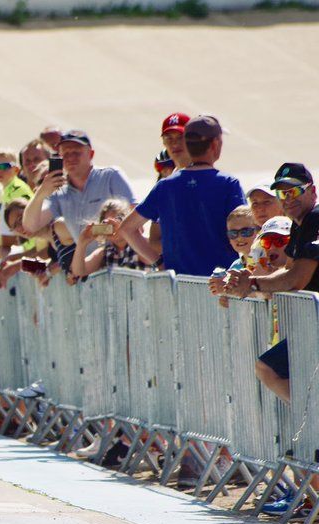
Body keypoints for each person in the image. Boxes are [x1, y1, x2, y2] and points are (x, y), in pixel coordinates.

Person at [227, 163, 319, 405]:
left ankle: (311, 426)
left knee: (268, 368)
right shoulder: (301, 226)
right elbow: (286, 271)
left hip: (314, 324)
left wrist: (253, 284)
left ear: (313, 191)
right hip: (311, 325)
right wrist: (245, 281)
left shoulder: (315, 219)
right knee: (270, 369)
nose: (287, 199)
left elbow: (296, 278)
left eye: (294, 191)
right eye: (281, 193)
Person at [118, 115, 244, 276]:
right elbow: (245, 229)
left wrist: (158, 262)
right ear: (215, 144)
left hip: (180, 286)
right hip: (221, 285)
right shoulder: (228, 184)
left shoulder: (164, 186)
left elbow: (127, 228)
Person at [21, 130, 137, 247]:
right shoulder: (59, 190)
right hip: (86, 263)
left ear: (91, 154)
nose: (71, 158)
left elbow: (134, 218)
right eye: (66, 154)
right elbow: (31, 226)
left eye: (76, 152)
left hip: (118, 259)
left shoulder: (110, 176)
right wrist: (41, 194)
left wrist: (94, 231)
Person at [69, 199, 147, 277]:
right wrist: (82, 243)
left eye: (115, 222)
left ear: (126, 220)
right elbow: (78, 271)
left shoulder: (138, 245)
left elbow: (151, 258)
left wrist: (130, 231)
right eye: (107, 224)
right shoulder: (104, 253)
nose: (111, 227)